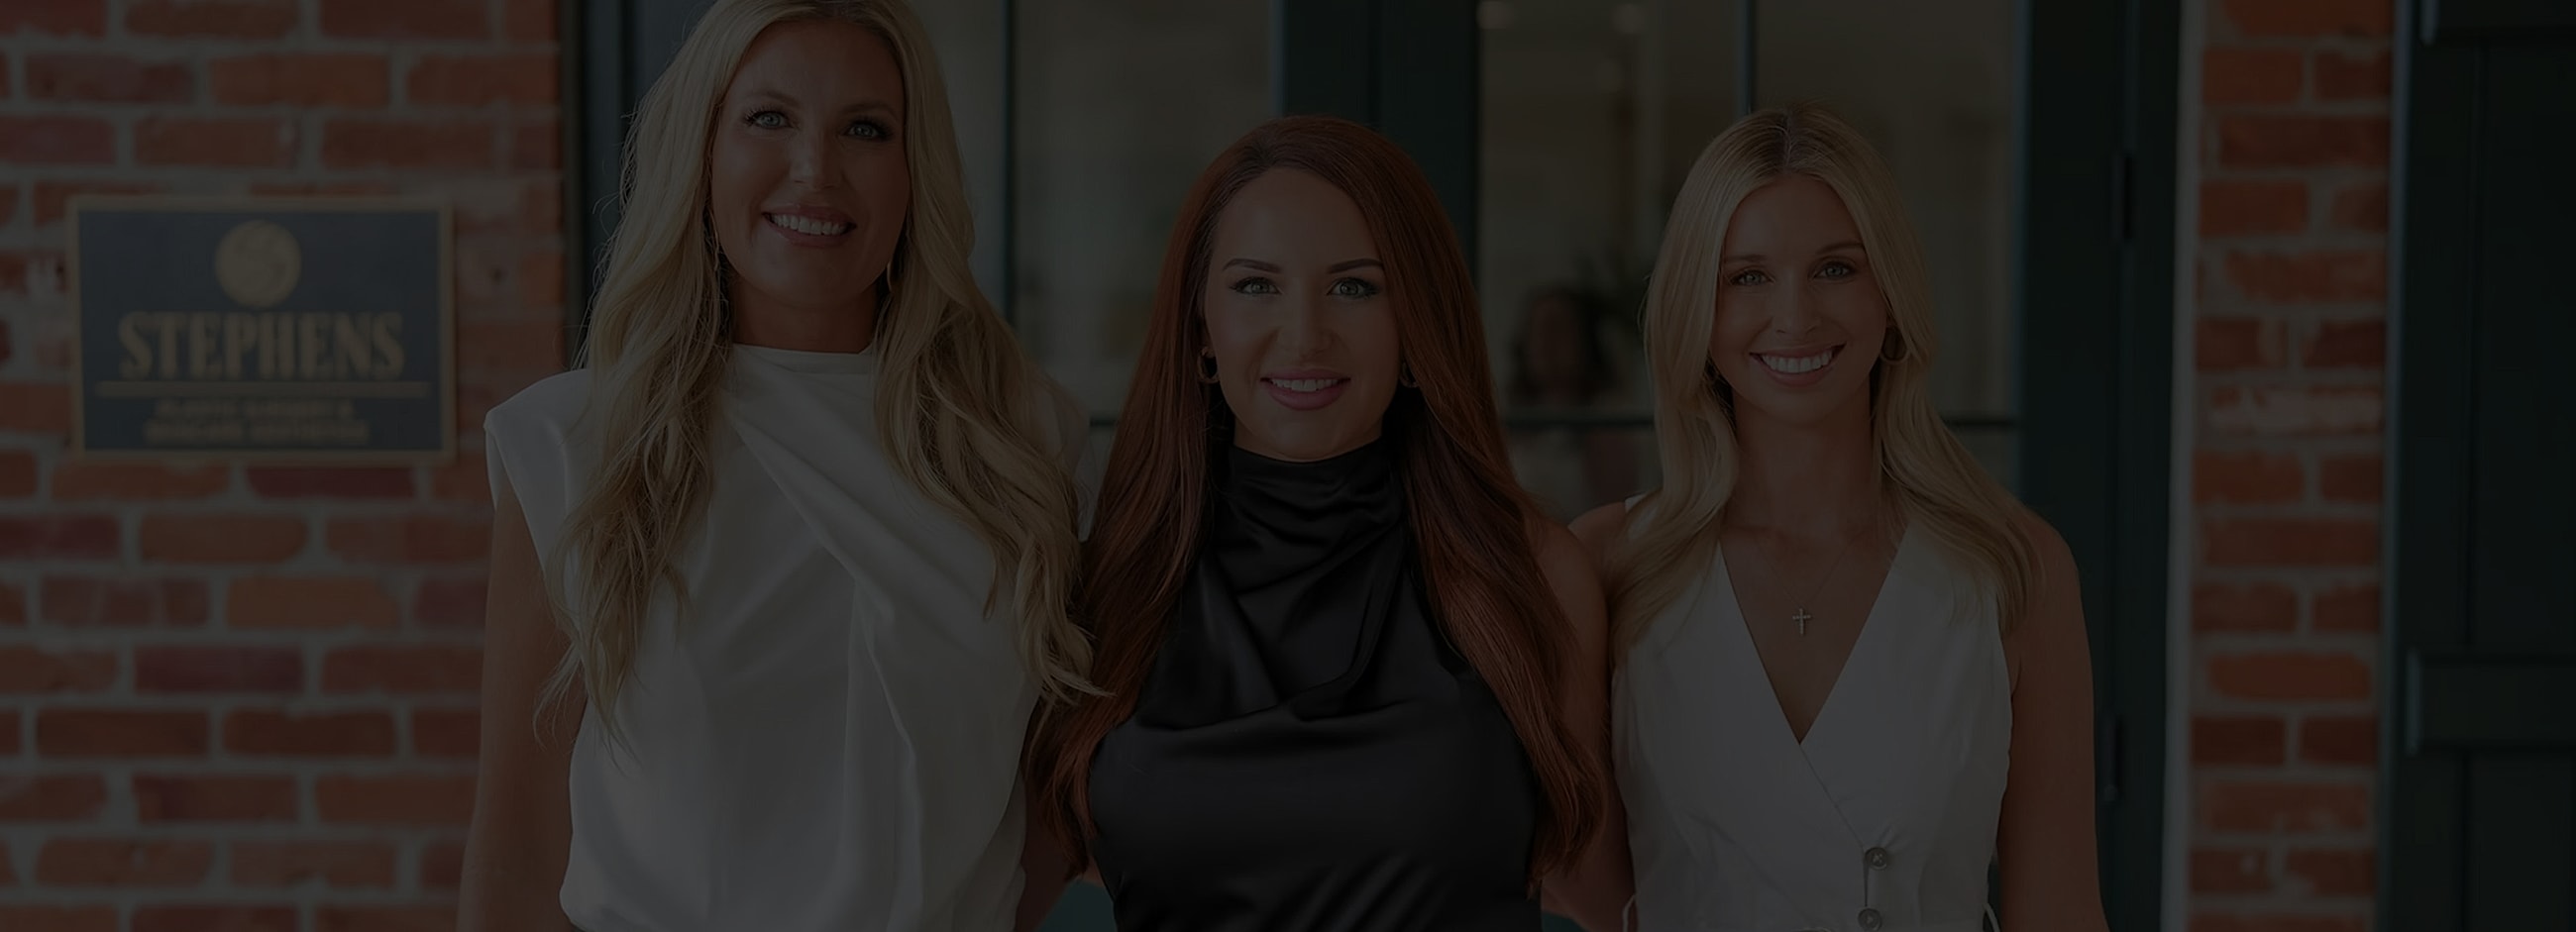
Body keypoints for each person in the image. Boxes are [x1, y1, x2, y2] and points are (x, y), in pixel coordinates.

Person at [458, 2, 1090, 930]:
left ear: (916, 172)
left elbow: (1045, 811)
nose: (815, 170)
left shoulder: (1016, 443)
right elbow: (516, 858)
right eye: (769, 119)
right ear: (703, 147)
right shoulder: (573, 445)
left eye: (865, 129)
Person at [1018, 115, 1633, 931]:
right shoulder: (1101, 590)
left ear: (1415, 324)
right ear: (1201, 328)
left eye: (1354, 286)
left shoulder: (1529, 574)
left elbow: (1621, 899)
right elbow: (990, 895)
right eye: (1254, 286)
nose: (1305, 335)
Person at [1573, 102, 2107, 932]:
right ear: (1696, 310)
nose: (1794, 316)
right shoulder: (1609, 564)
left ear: (1889, 292)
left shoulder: (2014, 567)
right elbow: (1571, 875)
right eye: (1747, 276)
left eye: (1835, 269)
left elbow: (2063, 911)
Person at [1505, 285, 1644, 521]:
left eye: (1556, 330)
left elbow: (1615, 505)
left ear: (1585, 340)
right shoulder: (1510, 418)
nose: (1544, 343)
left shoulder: (1607, 417)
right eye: (1535, 330)